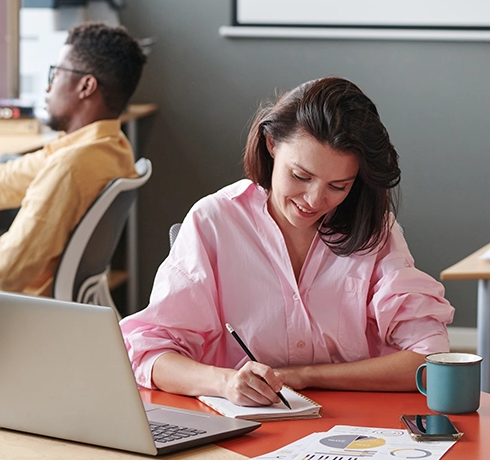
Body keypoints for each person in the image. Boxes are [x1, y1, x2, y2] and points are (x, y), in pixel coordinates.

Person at [121, 77, 454, 407]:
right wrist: (225, 383)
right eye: (301, 176)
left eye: (338, 186)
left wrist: (306, 375)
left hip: (353, 431)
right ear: (271, 144)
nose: (314, 199)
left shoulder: (374, 230)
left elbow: (430, 360)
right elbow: (148, 351)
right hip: (243, 429)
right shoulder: (214, 221)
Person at [0, 22, 146, 295]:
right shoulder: (111, 146)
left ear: (86, 86)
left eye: (56, 74)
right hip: (54, 309)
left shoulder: (69, 168)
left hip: (20, 312)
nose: (46, 87)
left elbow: (3, 274)